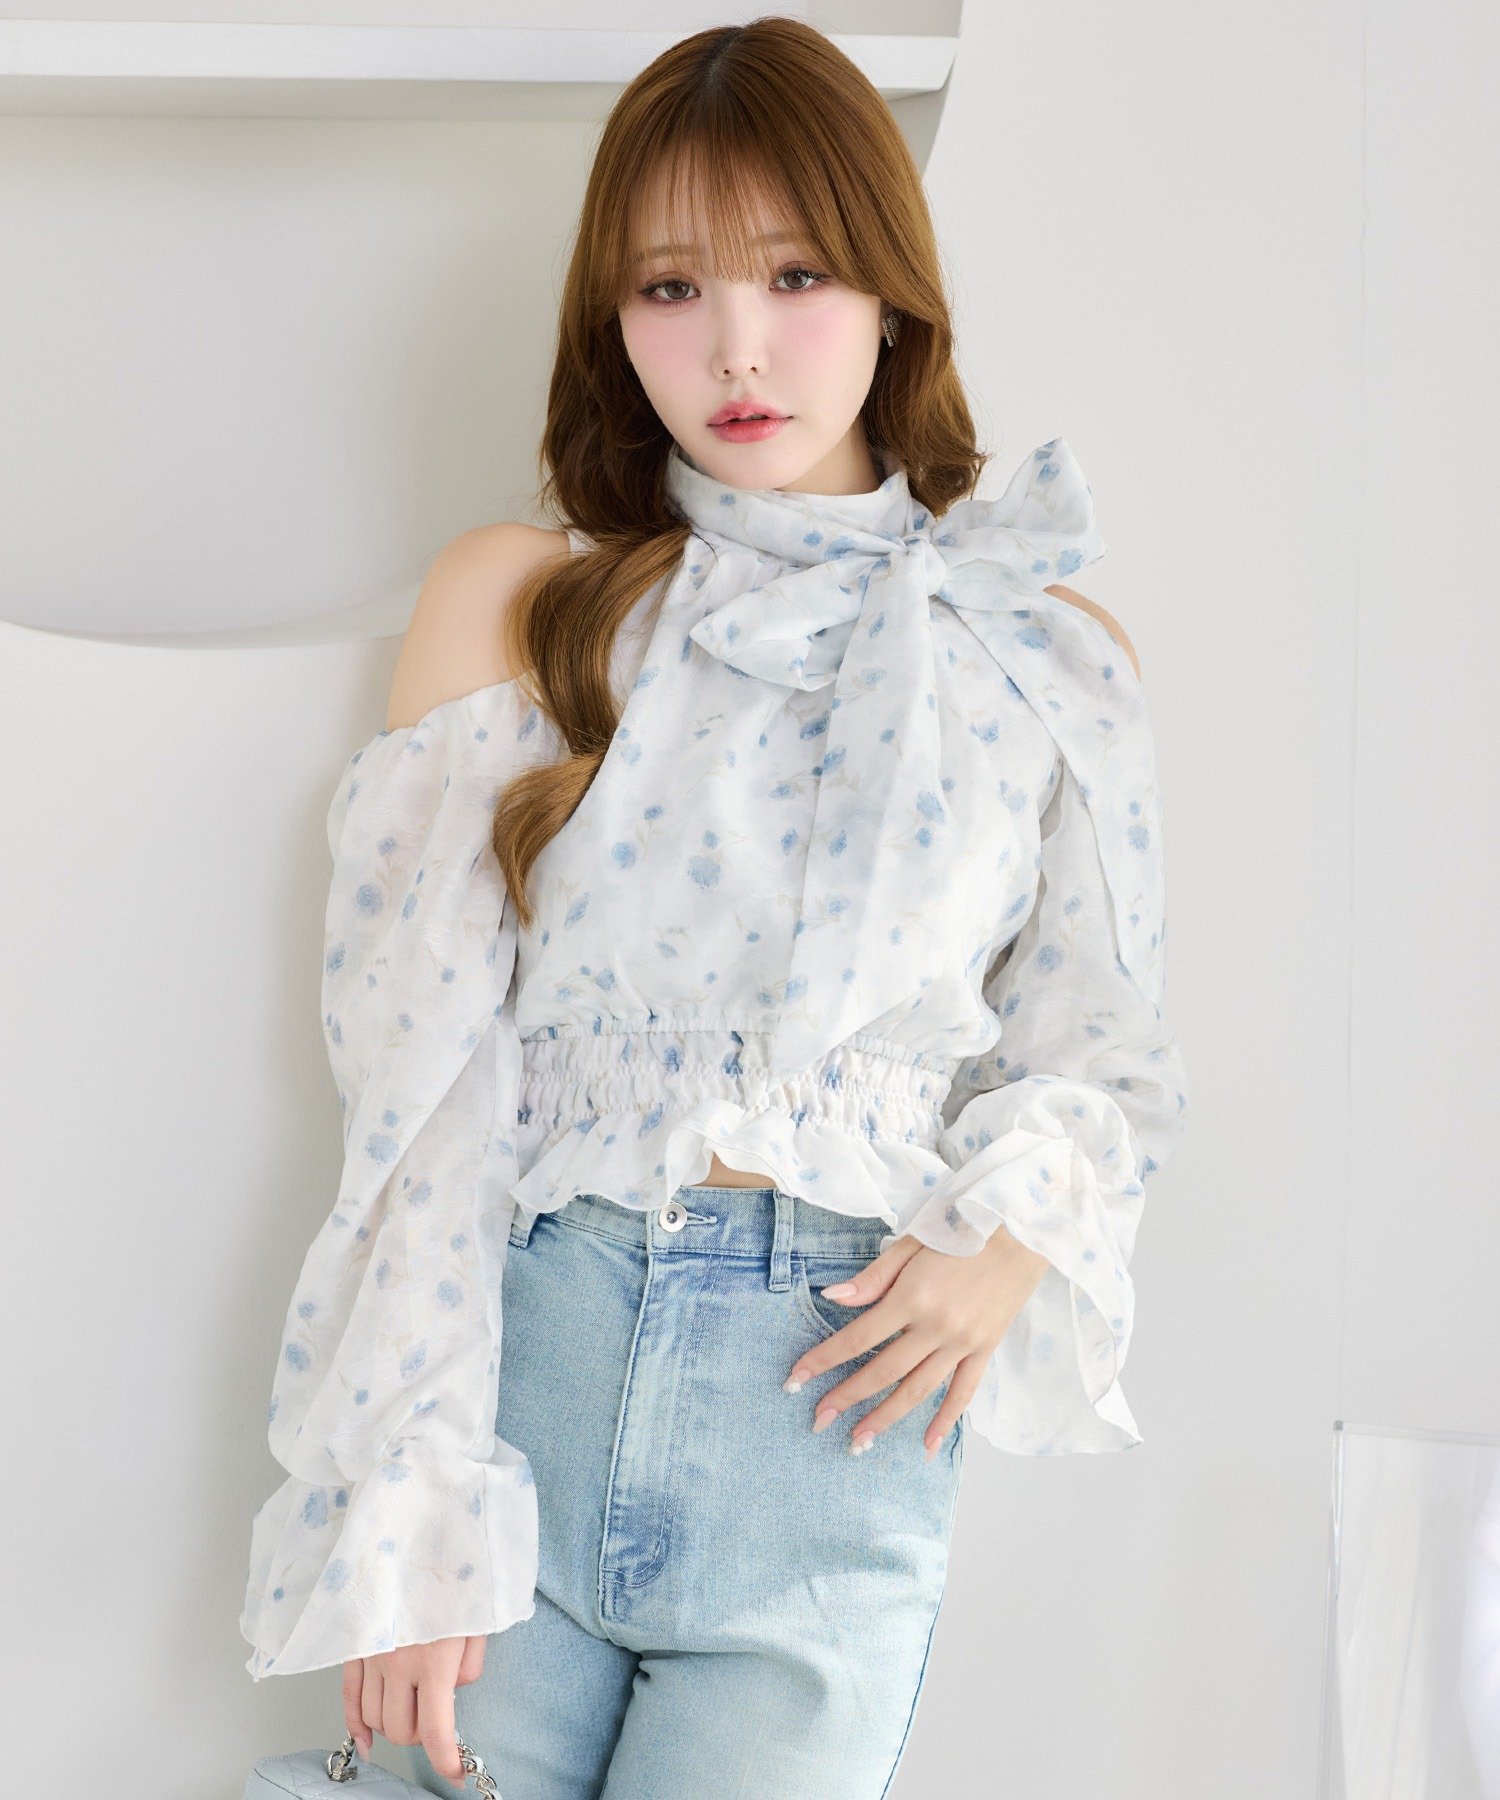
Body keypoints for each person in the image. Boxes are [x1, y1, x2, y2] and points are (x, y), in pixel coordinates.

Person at [240, 16, 1190, 1797]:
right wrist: (411, 1496)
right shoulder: (525, 604)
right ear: (613, 321)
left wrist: (1012, 1241)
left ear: (893, 293)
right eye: (671, 288)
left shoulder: (1046, 650)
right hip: (533, 1377)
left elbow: (1100, 1052)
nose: (736, 347)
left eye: (797, 275)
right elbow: (423, 1098)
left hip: (834, 1429)